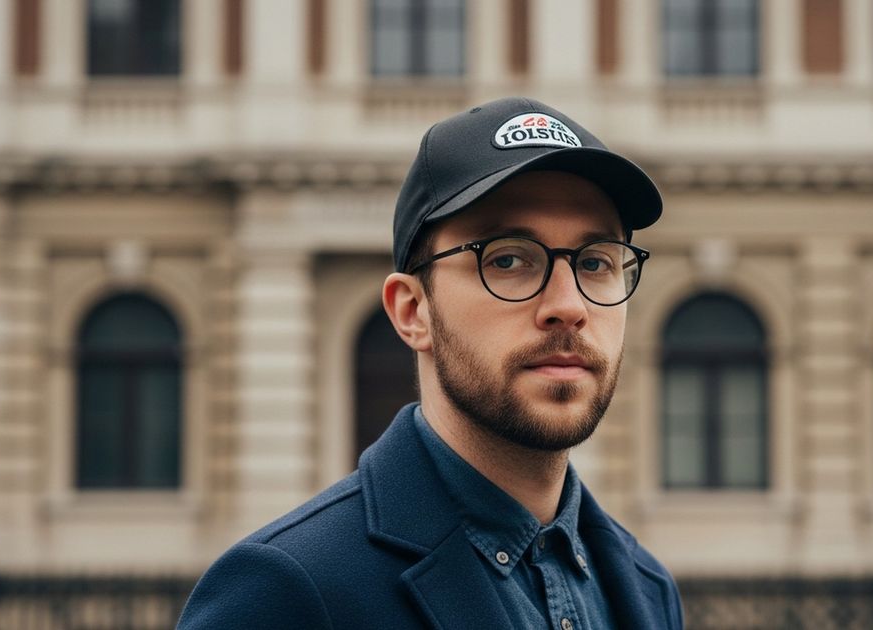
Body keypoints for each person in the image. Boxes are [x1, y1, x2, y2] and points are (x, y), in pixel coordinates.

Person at [177, 97, 683, 629]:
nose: (569, 306)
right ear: (412, 311)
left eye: (596, 262)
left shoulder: (647, 588)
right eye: (508, 259)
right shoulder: (286, 591)